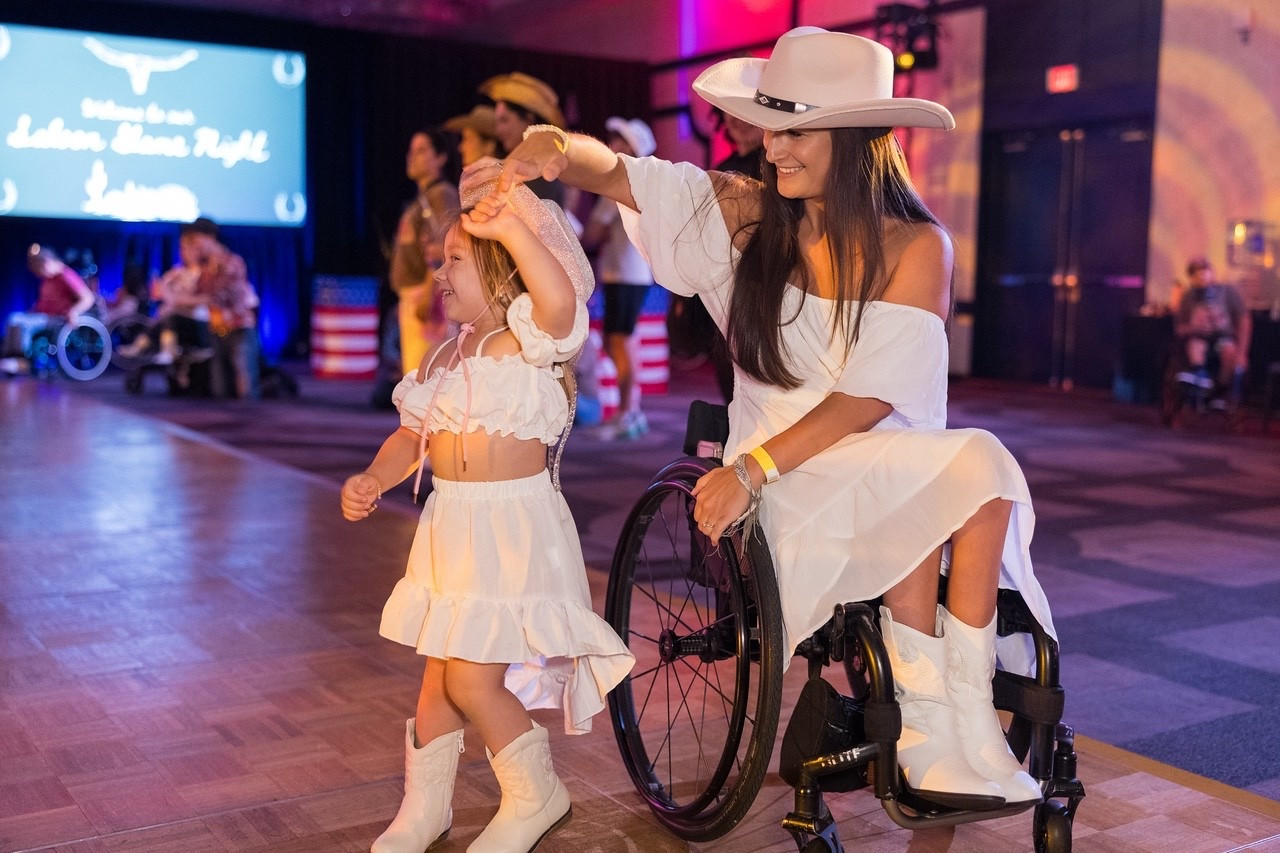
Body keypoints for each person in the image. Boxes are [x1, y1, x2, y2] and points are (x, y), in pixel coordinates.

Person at [494, 27, 1055, 811]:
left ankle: (960, 718)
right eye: (771, 127)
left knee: (978, 467)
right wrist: (554, 148)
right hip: (778, 490)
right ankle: (931, 722)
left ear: (856, 138)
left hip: (867, 462)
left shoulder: (919, 244)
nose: (773, 148)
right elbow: (624, 176)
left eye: (796, 131)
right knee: (932, 482)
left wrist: (753, 468)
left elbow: (874, 394)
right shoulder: (745, 213)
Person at [341, 167, 633, 852]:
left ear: (505, 271)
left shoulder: (531, 338)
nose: (439, 275)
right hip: (452, 529)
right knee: (438, 678)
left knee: (472, 676)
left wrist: (506, 224)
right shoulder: (446, 353)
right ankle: (426, 804)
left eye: (453, 261)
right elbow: (409, 436)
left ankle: (537, 794)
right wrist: (376, 477)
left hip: (511, 529)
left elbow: (558, 299)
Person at [584, 117, 657, 440]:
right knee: (626, 341)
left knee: (619, 342)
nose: (610, 143)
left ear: (629, 147)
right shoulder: (641, 181)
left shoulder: (617, 183)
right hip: (633, 274)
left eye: (617, 139)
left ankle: (628, 412)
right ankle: (632, 412)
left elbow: (593, 232)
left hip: (624, 274)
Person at [392, 129, 462, 376]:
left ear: (441, 157)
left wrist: (429, 291)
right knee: (416, 374)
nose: (412, 156)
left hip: (428, 297)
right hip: (416, 296)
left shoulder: (441, 194)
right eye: (411, 151)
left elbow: (447, 248)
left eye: (421, 150)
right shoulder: (424, 197)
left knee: (425, 378)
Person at [183, 218, 261, 399]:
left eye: (197, 240)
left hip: (239, 329)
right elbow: (197, 293)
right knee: (220, 390)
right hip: (216, 330)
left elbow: (216, 297)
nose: (195, 246)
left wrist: (179, 298)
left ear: (210, 237)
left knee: (246, 387)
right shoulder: (204, 269)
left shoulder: (233, 263)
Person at [1, 244, 97, 373]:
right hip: (43, 316)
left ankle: (22, 360)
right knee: (13, 318)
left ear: (47, 262)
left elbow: (88, 298)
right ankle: (10, 356)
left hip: (57, 319)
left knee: (21, 322)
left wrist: (74, 311)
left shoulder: (65, 275)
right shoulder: (48, 279)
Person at [1170, 257, 1250, 406]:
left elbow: (1244, 321)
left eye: (1204, 270)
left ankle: (1219, 392)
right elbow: (1179, 329)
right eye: (1196, 272)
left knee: (1228, 351)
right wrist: (1195, 328)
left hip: (1222, 339)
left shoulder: (1227, 292)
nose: (1202, 275)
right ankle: (1199, 374)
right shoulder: (1188, 297)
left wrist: (1242, 353)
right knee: (1196, 344)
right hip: (1198, 339)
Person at [478, 72, 567, 205]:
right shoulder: (513, 166)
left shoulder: (541, 174)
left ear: (528, 120)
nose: (498, 130)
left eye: (504, 120)